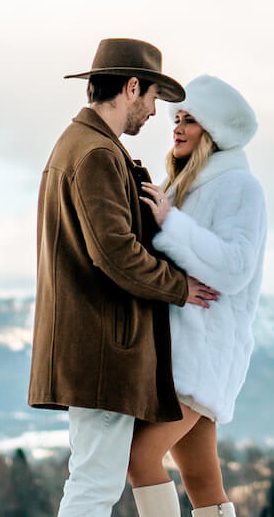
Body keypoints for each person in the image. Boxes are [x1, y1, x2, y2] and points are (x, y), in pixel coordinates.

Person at [29, 38, 222, 517]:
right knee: (95, 482)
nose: (156, 112)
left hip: (94, 346)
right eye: (154, 97)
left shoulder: (89, 146)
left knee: (94, 476)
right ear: (132, 87)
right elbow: (115, 254)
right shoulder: (95, 153)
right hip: (101, 349)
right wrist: (181, 287)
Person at [127, 75, 267, 517]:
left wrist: (171, 224)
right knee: (204, 482)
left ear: (215, 132)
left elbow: (235, 268)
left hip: (203, 350)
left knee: (139, 459)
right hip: (181, 348)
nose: (177, 127)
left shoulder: (241, 188)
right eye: (177, 118)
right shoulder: (180, 186)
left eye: (190, 120)